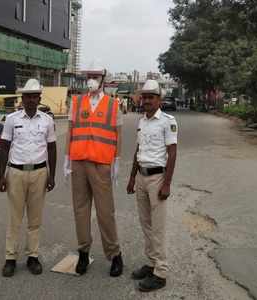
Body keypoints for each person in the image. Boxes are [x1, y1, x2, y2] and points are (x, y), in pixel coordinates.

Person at [63, 70, 124, 277]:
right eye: (90, 75)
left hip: (101, 164)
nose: (92, 80)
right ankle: (83, 252)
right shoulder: (77, 102)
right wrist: (66, 159)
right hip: (79, 161)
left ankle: (115, 254)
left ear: (103, 79)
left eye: (96, 76)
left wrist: (116, 161)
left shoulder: (113, 104)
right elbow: (70, 130)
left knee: (105, 212)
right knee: (80, 210)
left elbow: (118, 134)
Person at [0, 79, 57, 277]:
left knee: (35, 219)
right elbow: (4, 147)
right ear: (22, 98)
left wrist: (52, 175)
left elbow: (52, 148)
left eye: (34, 96)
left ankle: (33, 256)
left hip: (40, 173)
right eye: (28, 96)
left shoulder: (47, 120)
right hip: (16, 172)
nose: (31, 100)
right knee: (14, 218)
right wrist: (1, 176)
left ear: (39, 98)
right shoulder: (12, 119)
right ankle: (10, 258)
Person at [127, 80, 178, 292]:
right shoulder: (142, 121)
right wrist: (131, 178)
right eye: (144, 96)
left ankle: (161, 273)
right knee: (146, 224)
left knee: (158, 227)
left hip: (157, 179)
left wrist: (167, 183)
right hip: (141, 177)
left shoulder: (167, 121)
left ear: (159, 99)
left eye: (151, 97)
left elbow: (172, 152)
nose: (146, 100)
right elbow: (138, 151)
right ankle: (151, 263)